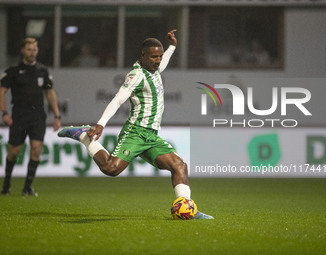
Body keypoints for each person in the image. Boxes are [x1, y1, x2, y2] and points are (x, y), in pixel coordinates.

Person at [58, 29, 213, 219]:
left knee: (179, 166)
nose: (157, 60)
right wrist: (100, 124)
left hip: (151, 136)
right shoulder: (136, 75)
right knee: (110, 169)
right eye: (154, 57)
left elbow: (163, 63)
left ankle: (189, 208)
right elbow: (117, 100)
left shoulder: (155, 69)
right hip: (135, 133)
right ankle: (84, 136)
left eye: (159, 56)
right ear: (143, 56)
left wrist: (172, 46)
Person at [0, 37, 61, 196]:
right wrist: (4, 112)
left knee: (36, 148)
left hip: (37, 115)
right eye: (29, 49)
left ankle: (27, 187)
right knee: (14, 151)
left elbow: (50, 92)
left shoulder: (42, 70)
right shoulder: (12, 71)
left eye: (34, 49)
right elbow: (2, 91)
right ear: (23, 50)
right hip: (19, 114)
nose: (32, 52)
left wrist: (57, 115)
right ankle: (6, 185)